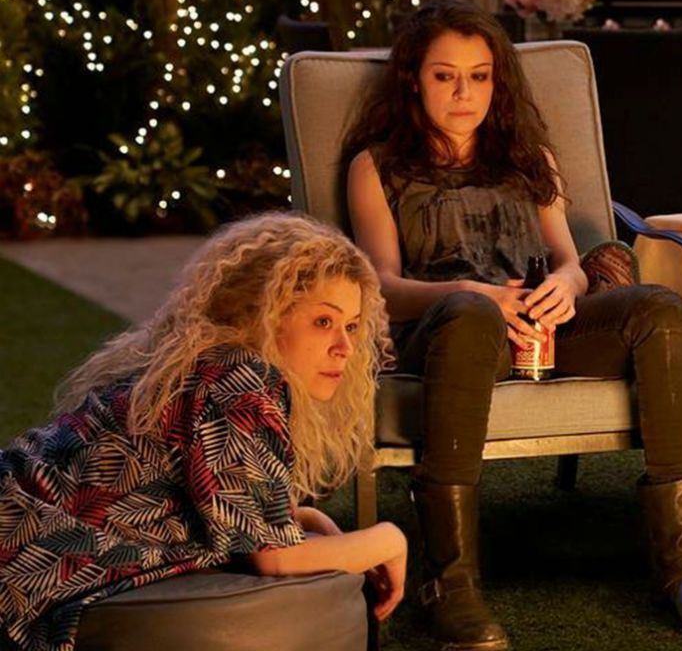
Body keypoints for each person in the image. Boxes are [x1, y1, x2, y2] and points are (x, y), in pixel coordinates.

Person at [342, 0, 682, 650]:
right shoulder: (377, 166)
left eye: (479, 76)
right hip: (449, 331)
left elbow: (568, 260)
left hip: (542, 330)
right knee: (471, 315)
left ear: (498, 81)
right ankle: (449, 585)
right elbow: (381, 289)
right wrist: (473, 291)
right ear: (413, 80)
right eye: (444, 75)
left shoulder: (528, 156)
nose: (464, 93)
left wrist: (568, 286)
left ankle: (681, 567)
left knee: (661, 310)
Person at [0, 213, 407, 651]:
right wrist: (389, 537)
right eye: (323, 321)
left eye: (351, 326)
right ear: (262, 314)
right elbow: (274, 558)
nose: (344, 347)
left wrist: (307, 519)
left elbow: (211, 506)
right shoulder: (240, 378)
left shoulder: (203, 365)